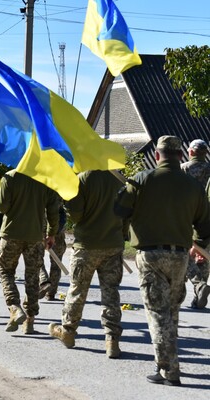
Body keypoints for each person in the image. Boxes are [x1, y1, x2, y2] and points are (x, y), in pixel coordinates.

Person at [115, 135, 210, 386]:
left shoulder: (142, 180)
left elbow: (120, 210)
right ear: (181, 155)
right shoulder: (194, 186)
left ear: (157, 155)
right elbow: (204, 225)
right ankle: (165, 362)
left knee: (157, 312)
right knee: (171, 311)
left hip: (150, 254)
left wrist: (125, 193)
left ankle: (169, 368)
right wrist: (198, 246)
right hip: (180, 255)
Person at [49, 170, 126, 359]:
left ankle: (68, 330)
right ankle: (112, 340)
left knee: (77, 289)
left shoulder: (83, 178)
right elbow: (127, 214)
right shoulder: (119, 179)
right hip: (113, 244)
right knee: (111, 292)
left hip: (87, 245)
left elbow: (76, 216)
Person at [0, 170, 59, 334]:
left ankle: (14, 307)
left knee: (5, 271)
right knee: (33, 277)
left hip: (11, 234)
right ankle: (29, 322)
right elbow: (53, 210)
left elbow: (1, 206)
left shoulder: (10, 177)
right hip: (35, 236)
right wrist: (51, 233)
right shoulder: (45, 177)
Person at [181, 139, 210, 309]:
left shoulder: (184, 169)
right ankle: (198, 296)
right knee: (204, 255)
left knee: (183, 255)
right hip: (207, 219)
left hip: (188, 218)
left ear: (191, 152)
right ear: (205, 153)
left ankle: (199, 285)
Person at [38, 197, 67, 301]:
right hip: (57, 226)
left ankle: (43, 279)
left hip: (40, 226)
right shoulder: (59, 187)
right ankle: (51, 293)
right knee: (56, 262)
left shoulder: (38, 186)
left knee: (36, 257)